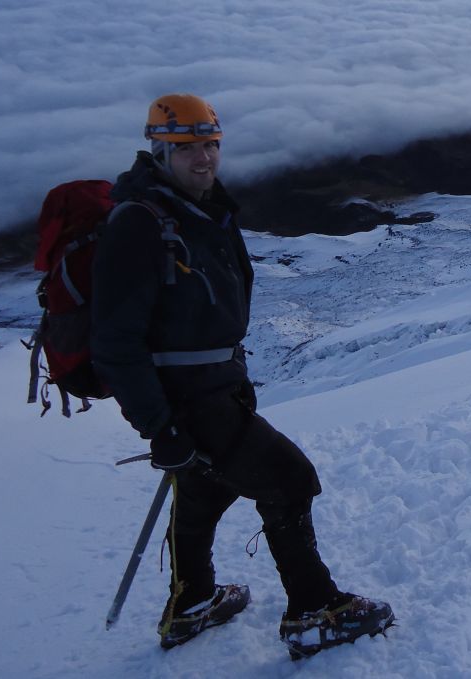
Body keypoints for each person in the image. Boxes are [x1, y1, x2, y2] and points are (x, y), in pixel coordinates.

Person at [90, 93, 393, 658]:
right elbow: (112, 343)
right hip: (189, 398)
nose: (203, 158)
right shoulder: (141, 224)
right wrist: (160, 425)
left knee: (203, 491)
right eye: (187, 148)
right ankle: (313, 609)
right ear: (158, 150)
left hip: (214, 386)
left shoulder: (199, 210)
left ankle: (192, 604)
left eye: (210, 144)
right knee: (292, 478)